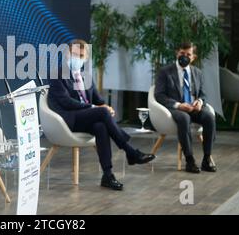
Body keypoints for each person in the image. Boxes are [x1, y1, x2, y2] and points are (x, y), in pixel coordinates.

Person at [48, 39, 155, 191]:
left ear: (85, 58)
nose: (76, 58)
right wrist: (97, 108)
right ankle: (130, 151)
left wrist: (106, 107)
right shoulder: (57, 74)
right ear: (67, 54)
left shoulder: (86, 76)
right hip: (67, 119)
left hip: (86, 118)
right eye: (74, 54)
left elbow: (99, 100)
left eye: (80, 55)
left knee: (100, 126)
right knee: (102, 112)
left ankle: (108, 175)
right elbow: (65, 102)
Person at [154, 42, 216, 174]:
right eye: (182, 53)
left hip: (194, 107)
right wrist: (179, 105)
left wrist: (199, 101)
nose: (184, 56)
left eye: (188, 54)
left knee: (209, 117)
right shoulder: (165, 72)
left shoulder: (197, 72)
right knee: (184, 118)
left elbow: (203, 94)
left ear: (193, 57)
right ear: (177, 53)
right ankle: (190, 160)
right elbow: (159, 95)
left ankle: (206, 159)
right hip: (176, 109)